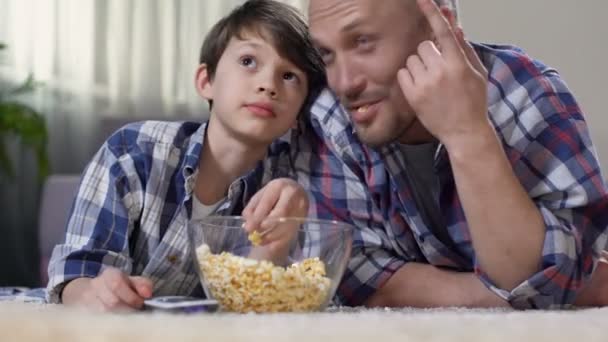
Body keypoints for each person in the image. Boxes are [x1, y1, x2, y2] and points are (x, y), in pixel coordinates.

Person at [295, 0, 608, 309]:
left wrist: (468, 132)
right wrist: (519, 292)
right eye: (327, 54)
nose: (343, 83)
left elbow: (557, 269)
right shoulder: (329, 117)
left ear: (437, 28)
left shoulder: (528, 93)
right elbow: (357, 279)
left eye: (363, 42)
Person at [46, 0, 325, 312]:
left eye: (289, 77)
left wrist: (281, 234)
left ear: (300, 112)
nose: (268, 85)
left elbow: (256, 305)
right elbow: (74, 275)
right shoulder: (131, 151)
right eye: (248, 61)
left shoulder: (294, 184)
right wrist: (92, 292)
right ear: (206, 82)